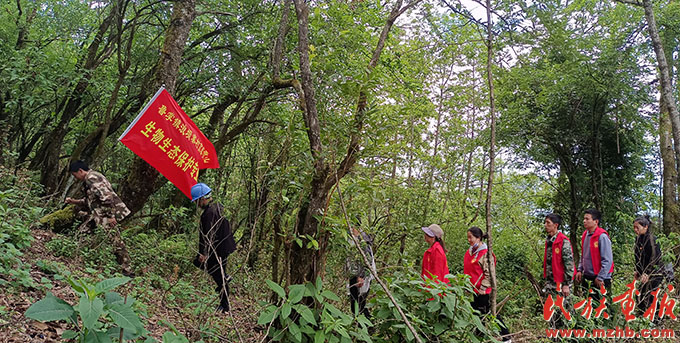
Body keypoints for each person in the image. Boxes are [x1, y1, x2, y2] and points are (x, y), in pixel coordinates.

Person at [65, 160, 132, 275]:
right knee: (85, 232)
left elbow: (107, 198)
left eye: (74, 174)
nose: (75, 177)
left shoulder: (92, 178)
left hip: (105, 215)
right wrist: (73, 201)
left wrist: (110, 216)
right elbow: (91, 200)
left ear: (80, 171)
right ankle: (85, 260)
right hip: (98, 215)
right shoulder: (90, 179)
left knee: (116, 242)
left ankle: (127, 270)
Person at [191, 183, 236, 312]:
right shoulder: (217, 208)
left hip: (218, 249)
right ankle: (224, 280)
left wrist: (204, 253)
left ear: (203, 199)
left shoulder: (209, 213)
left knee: (219, 276)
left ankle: (225, 305)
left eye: (198, 201)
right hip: (222, 248)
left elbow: (209, 234)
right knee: (218, 274)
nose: (197, 204)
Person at [464, 226, 510, 341]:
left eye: (471, 238)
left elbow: (489, 273)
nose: (469, 240)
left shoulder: (485, 254)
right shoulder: (469, 253)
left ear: (478, 238)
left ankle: (506, 337)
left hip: (483, 291)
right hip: (472, 290)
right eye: (468, 238)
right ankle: (480, 337)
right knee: (477, 316)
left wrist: (484, 287)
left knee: (490, 313)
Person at [574, 208, 614, 300]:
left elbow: (607, 260)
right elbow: (583, 255)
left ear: (596, 221)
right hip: (588, 276)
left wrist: (600, 277)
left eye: (587, 219)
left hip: (600, 278)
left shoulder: (602, 236)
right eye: (584, 218)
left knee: (601, 307)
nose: (584, 221)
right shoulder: (585, 235)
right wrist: (580, 270)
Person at [633, 215, 663, 314]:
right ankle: (641, 317)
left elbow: (655, 257)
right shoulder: (638, 240)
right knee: (640, 295)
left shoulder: (652, 239)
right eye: (634, 227)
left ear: (645, 227)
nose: (635, 230)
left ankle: (657, 319)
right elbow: (637, 257)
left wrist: (647, 273)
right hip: (644, 273)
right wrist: (637, 270)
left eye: (638, 227)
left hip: (655, 273)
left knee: (651, 296)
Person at [345, 227, 375, 318]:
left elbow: (368, 260)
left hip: (361, 276)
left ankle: (366, 325)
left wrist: (361, 276)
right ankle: (360, 324)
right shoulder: (350, 237)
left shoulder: (363, 240)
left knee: (359, 303)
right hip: (353, 274)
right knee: (355, 302)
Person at [543, 213, 574, 298]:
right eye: (545, 223)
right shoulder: (549, 240)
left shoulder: (563, 241)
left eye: (548, 223)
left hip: (562, 283)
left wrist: (566, 284)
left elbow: (569, 265)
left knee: (563, 309)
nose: (545, 225)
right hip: (550, 282)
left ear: (555, 225)